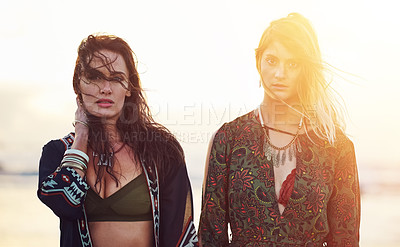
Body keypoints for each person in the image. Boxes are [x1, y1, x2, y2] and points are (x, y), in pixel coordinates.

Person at [199, 13, 360, 246]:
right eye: (272, 60)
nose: (279, 74)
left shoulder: (336, 147)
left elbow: (346, 239)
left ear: (305, 70)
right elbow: (210, 236)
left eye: (292, 64)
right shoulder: (228, 139)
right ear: (258, 62)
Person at [37, 34, 198, 247]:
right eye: (94, 77)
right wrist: (82, 133)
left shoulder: (162, 151)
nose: (105, 88)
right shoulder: (58, 152)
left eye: (116, 78)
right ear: (78, 85)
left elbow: (181, 234)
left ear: (129, 87)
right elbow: (63, 201)